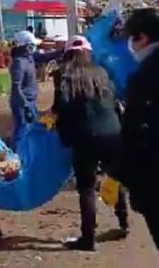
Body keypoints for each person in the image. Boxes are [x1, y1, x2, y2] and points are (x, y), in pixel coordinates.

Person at [51, 35, 128, 251]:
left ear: (67, 53)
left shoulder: (64, 75)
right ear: (88, 52)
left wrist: (62, 133)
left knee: (86, 187)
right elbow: (113, 100)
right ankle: (123, 222)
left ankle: (88, 238)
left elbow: (61, 108)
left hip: (84, 136)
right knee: (114, 177)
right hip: (113, 131)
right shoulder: (102, 72)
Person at [116, 8, 159, 267]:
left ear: (143, 38)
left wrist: (122, 175)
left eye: (132, 38)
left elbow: (138, 134)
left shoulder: (148, 75)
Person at [9, 30, 62, 150]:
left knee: (31, 128)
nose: (33, 48)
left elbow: (45, 57)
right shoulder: (19, 63)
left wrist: (62, 51)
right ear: (25, 46)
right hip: (21, 102)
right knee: (21, 129)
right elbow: (16, 87)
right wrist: (25, 105)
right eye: (31, 45)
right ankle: (15, 153)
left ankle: (26, 152)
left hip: (30, 101)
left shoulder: (30, 57)